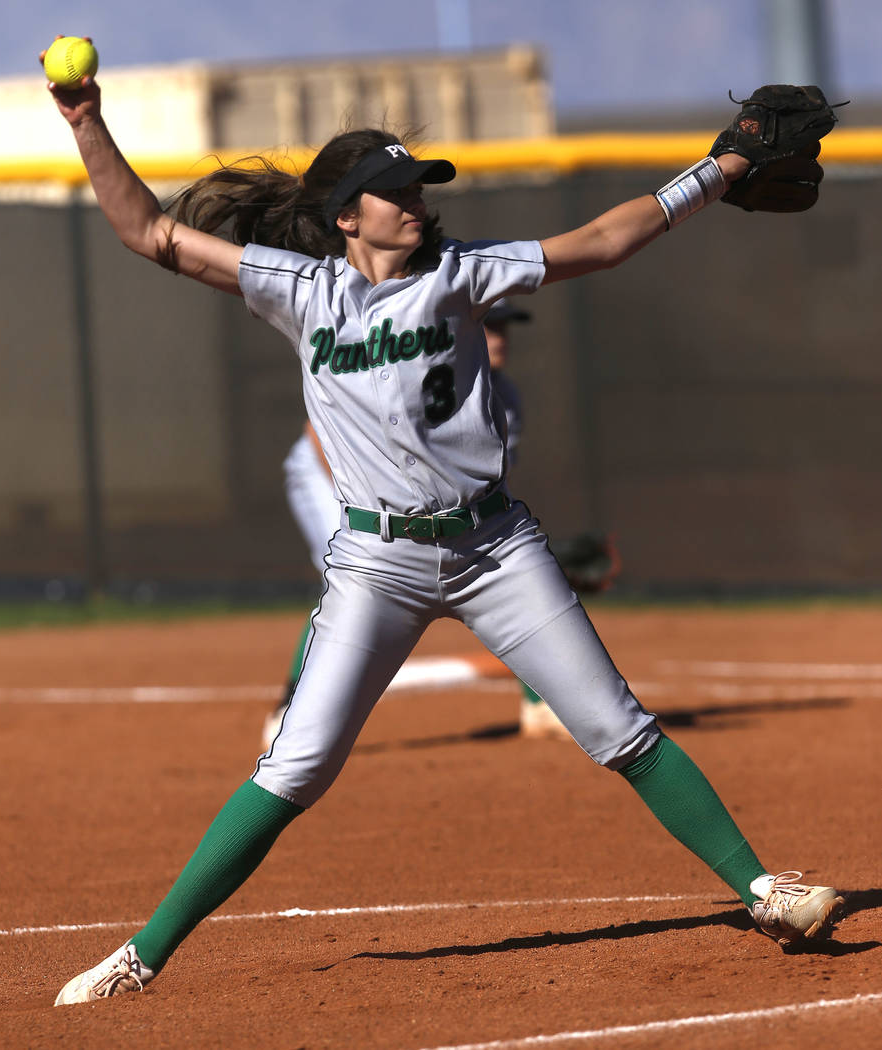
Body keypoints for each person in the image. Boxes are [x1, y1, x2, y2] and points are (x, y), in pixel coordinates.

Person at [44, 61, 844, 1004]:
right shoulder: (298, 291)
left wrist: (711, 175)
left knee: (617, 730)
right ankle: (141, 956)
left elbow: (599, 240)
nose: (416, 202)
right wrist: (85, 119)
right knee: (295, 766)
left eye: (420, 187)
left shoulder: (463, 273)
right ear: (348, 216)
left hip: (495, 551)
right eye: (394, 191)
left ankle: (763, 890)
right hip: (375, 566)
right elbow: (146, 231)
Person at [264, 297, 567, 750]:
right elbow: (319, 434)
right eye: (490, 326)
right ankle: (290, 710)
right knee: (349, 578)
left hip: (408, 496)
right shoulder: (412, 372)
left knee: (500, 570)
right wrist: (361, 517)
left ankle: (538, 703)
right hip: (329, 471)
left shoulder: (505, 397)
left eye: (506, 329)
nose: (501, 339)